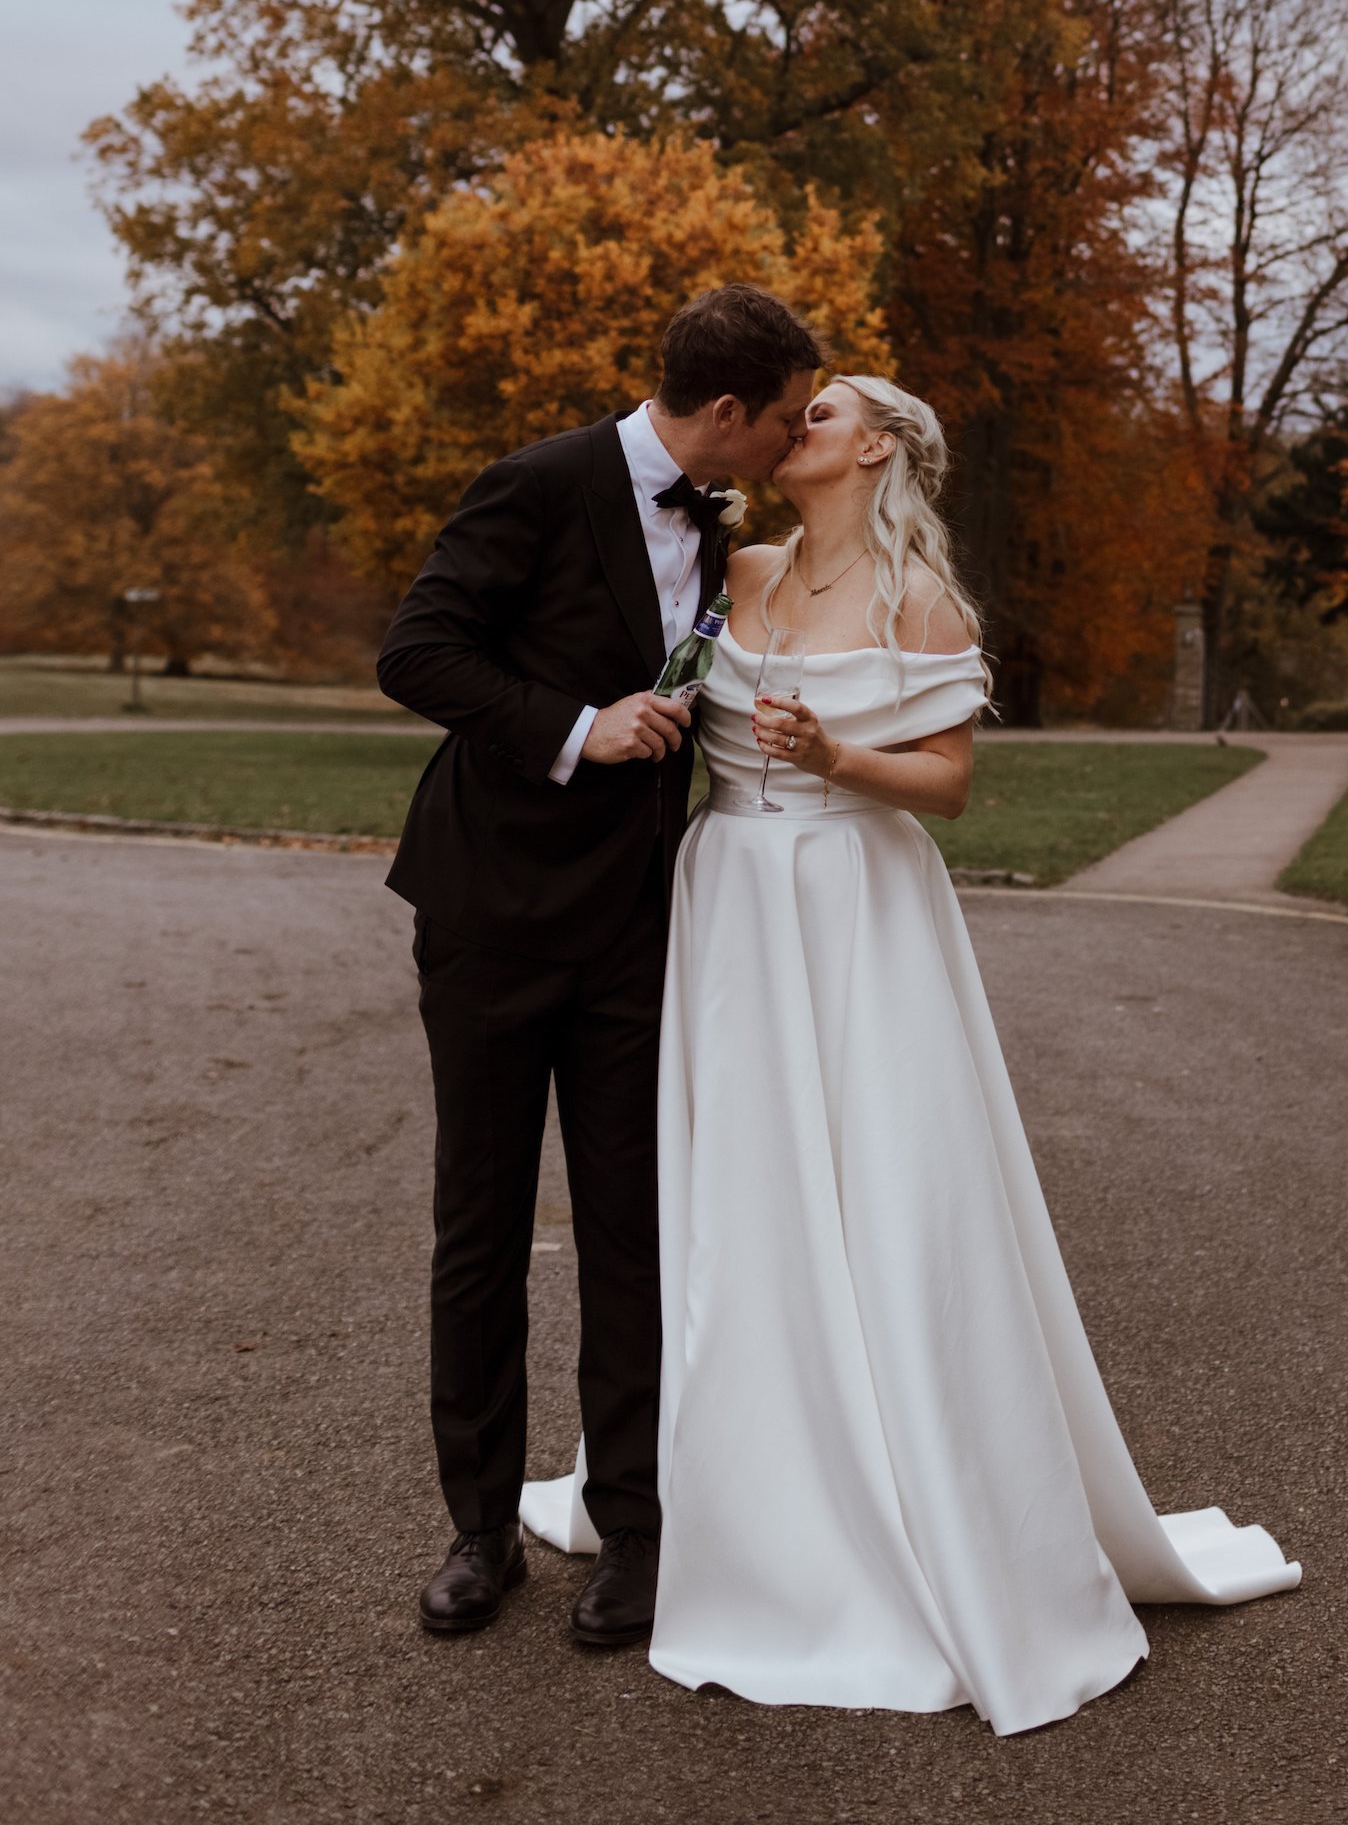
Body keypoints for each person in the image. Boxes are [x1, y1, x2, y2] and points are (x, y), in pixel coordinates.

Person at [523, 373, 1300, 1733]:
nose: (786, 429)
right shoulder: (735, 565)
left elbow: (946, 781)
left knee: (885, 1188)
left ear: (875, 447)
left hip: (859, 911)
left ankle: (908, 1500)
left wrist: (835, 755)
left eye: (814, 416)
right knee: (735, 1200)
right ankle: (721, 1489)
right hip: (729, 911)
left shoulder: (921, 604)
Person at [377, 284, 824, 1644]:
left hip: (637, 922)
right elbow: (417, 653)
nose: (798, 437)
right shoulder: (539, 482)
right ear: (729, 413)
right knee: (483, 1224)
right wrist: (580, 725)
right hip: (492, 915)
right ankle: (477, 1531)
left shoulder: (726, 517)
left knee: (634, 1230)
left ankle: (634, 1528)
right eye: (791, 416)